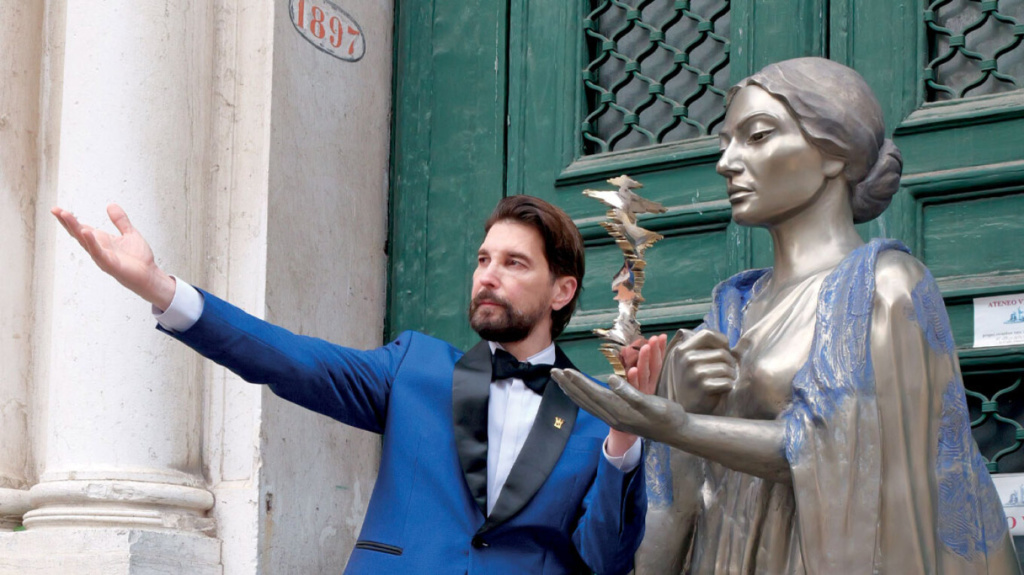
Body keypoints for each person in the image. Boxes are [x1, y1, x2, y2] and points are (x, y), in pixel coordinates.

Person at [553, 57, 1020, 574]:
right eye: (726, 142)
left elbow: (851, 458)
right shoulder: (731, 309)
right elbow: (677, 505)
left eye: (756, 136)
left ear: (835, 154)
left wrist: (681, 426)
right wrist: (674, 418)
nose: (726, 162)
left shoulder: (886, 287)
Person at [51, 195, 657, 574]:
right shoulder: (416, 367)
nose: (487, 276)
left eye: (513, 263)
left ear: (562, 290)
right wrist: (163, 289)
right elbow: (292, 361)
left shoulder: (598, 415)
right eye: (482, 260)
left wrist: (624, 443)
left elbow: (605, 559)